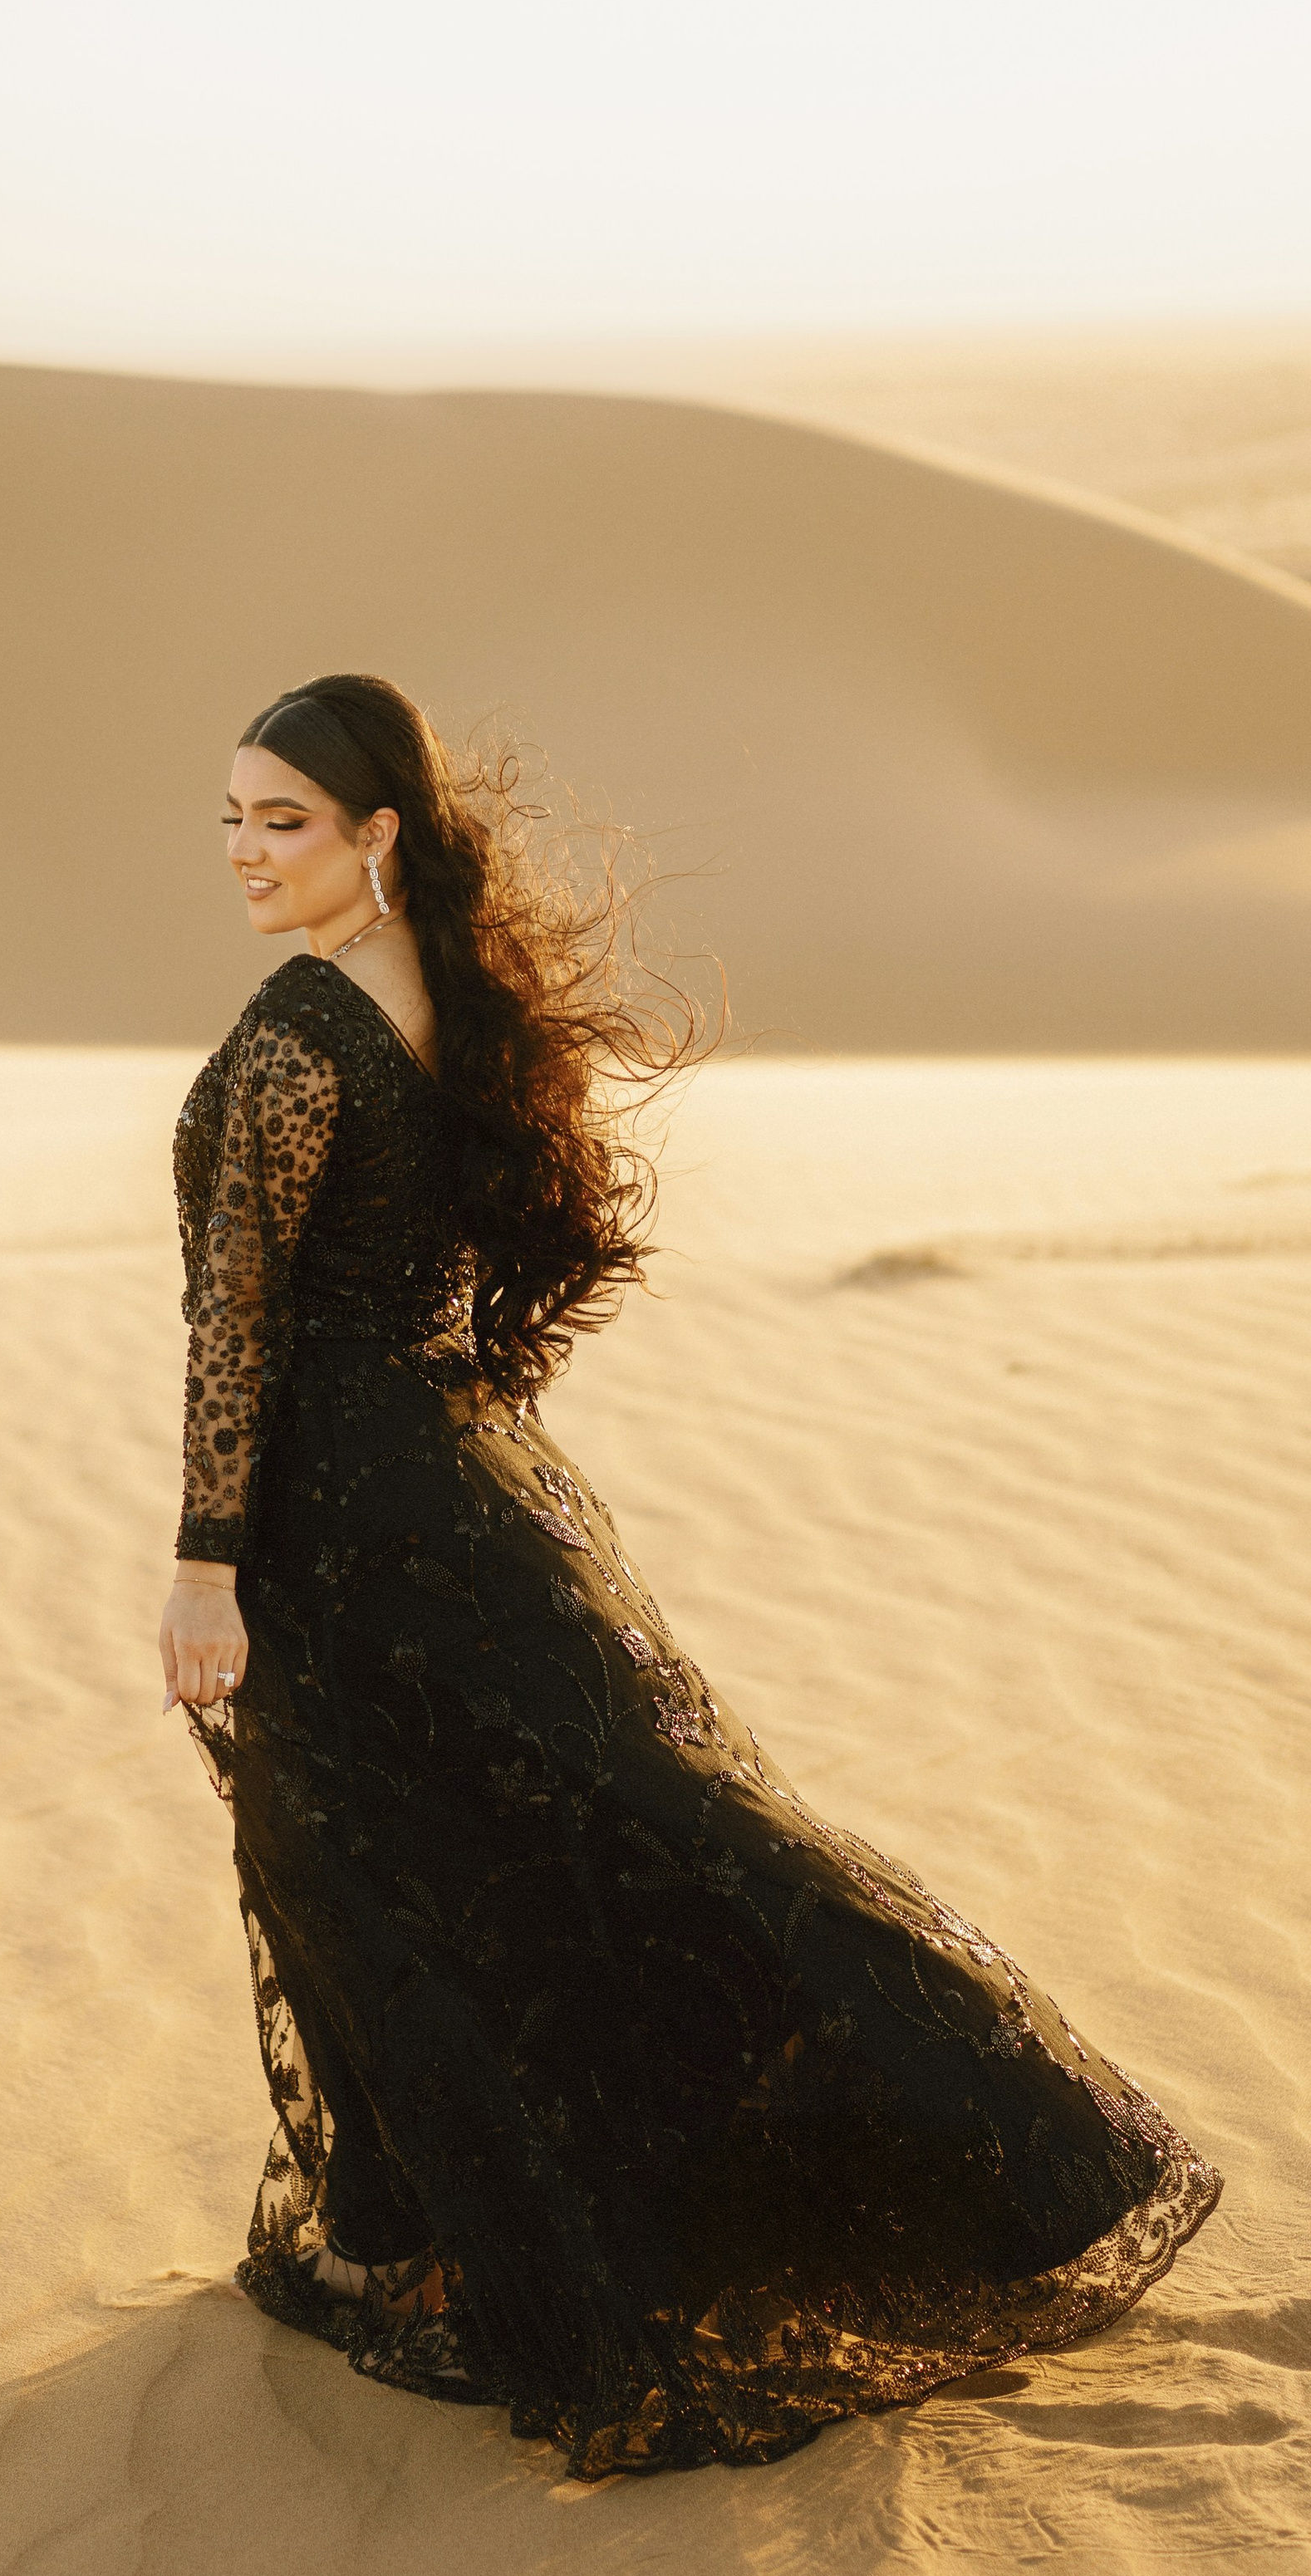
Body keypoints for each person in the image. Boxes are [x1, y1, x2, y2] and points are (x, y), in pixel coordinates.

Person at [159, 670, 1219, 2477]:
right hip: (468, 1477)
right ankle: (421, 2240)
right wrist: (444, 1436)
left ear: (376, 834)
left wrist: (203, 1570)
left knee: (358, 1858)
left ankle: (458, 2258)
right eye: (232, 820)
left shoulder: (289, 1037)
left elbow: (232, 1337)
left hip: (335, 1513)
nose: (245, 856)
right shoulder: (451, 1007)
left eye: (284, 821)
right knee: (612, 1826)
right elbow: (456, 1275)